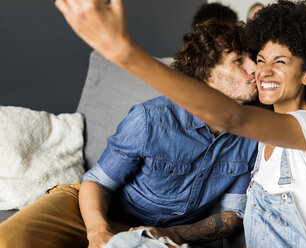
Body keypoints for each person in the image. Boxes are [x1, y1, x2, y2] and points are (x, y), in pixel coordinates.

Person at [54, 0, 306, 247]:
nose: (258, 70)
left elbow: (231, 118)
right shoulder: (258, 137)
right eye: (258, 59)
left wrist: (124, 51)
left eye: (280, 62)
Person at [0, 20, 258, 248]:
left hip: (152, 237)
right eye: (238, 61)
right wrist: (98, 232)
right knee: (9, 240)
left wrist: (170, 234)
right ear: (206, 75)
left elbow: (232, 215)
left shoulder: (253, 134)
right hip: (89, 211)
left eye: (251, 58)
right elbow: (98, 182)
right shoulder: (152, 119)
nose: (254, 68)